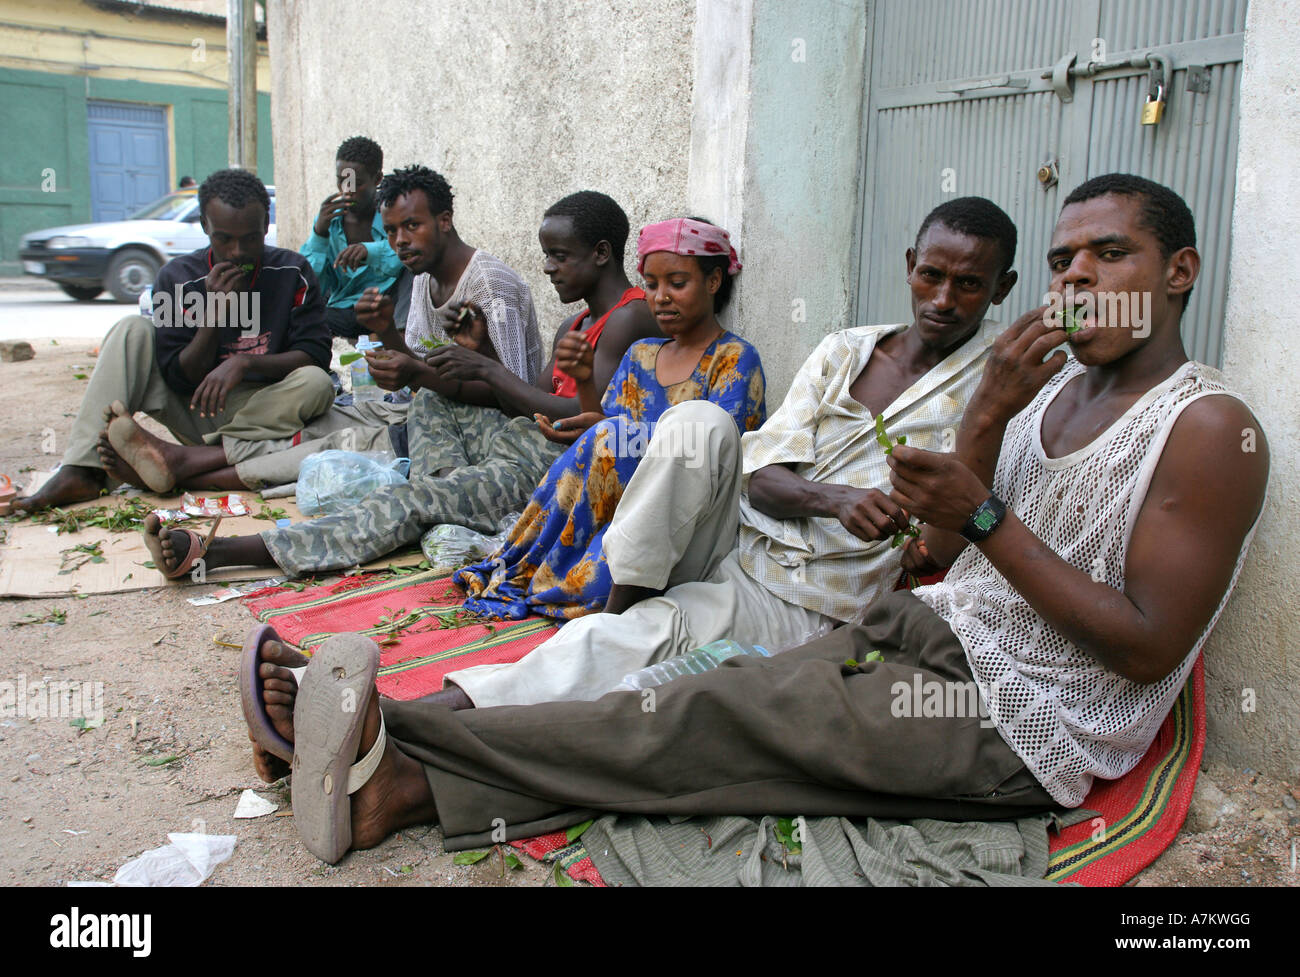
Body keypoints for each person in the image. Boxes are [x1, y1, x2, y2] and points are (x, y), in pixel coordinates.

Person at [244, 174, 1268, 866]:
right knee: (704, 689)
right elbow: (942, 554)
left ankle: (399, 775)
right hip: (929, 634)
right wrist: (993, 418)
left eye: (1109, 257)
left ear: (1175, 273)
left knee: (707, 718)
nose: (1078, 280)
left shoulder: (1208, 429)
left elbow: (1143, 648)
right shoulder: (1040, 392)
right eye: (1065, 261)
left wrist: (984, 506)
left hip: (1013, 719)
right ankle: (393, 752)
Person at [428, 195, 1022, 708]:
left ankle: (445, 710)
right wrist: (837, 498)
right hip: (734, 538)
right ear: (910, 266)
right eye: (931, 277)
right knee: (698, 422)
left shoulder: (1005, 380)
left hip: (814, 591)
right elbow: (759, 477)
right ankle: (621, 604)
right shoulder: (848, 349)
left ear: (1003, 288)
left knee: (630, 664)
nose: (943, 299)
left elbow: (944, 543)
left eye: (968, 285)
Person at [142, 188, 659, 577]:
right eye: (546, 255)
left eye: (559, 256)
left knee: (409, 498)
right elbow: (535, 403)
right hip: (515, 442)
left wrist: (488, 369)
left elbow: (584, 422)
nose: (547, 268)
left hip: (550, 467)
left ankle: (225, 551)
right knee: (430, 401)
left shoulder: (629, 319)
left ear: (601, 253)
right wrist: (476, 356)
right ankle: (446, 504)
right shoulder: (575, 323)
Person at [456, 217, 766, 620]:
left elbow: (715, 453)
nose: (661, 297)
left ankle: (592, 576)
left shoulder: (734, 359)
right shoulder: (642, 353)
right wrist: (584, 388)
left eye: (677, 283)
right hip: (615, 511)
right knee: (605, 437)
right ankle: (534, 560)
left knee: (611, 445)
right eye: (652, 285)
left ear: (713, 282)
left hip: (679, 518)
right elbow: (608, 434)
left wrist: (615, 434)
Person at [15, 169, 334, 512]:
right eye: (224, 239)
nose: (238, 252)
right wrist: (213, 315)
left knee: (316, 382)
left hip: (267, 418)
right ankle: (83, 470)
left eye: (251, 239)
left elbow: (315, 355)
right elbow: (178, 376)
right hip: (197, 408)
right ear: (204, 226)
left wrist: (244, 362)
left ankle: (185, 458)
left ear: (266, 224)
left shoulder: (292, 271)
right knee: (131, 330)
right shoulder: (178, 277)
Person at [300, 136, 405, 342]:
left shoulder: (393, 211)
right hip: (344, 312)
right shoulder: (329, 222)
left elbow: (413, 251)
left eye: (356, 183)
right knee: (302, 312)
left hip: (389, 309)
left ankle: (399, 336)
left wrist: (370, 251)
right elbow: (310, 285)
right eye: (342, 180)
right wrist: (319, 235)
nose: (347, 190)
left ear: (377, 179)